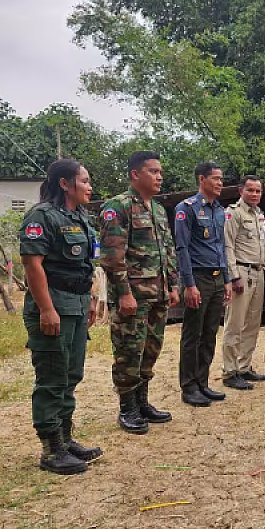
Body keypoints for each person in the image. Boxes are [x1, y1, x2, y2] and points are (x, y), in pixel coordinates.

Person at [20, 158, 102, 475]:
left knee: (71, 375)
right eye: (84, 180)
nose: (89, 186)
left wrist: (91, 300)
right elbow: (32, 264)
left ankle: (66, 440)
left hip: (78, 304)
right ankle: (51, 449)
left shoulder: (81, 217)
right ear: (65, 184)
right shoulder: (42, 216)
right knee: (53, 378)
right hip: (54, 305)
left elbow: (87, 265)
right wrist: (46, 309)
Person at [101, 151, 180, 433]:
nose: (160, 176)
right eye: (153, 171)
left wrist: (172, 285)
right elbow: (112, 256)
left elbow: (168, 251)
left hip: (157, 294)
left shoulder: (158, 210)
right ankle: (128, 408)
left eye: (160, 171)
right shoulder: (118, 207)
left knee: (151, 349)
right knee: (128, 351)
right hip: (132, 296)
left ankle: (143, 401)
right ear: (136, 174)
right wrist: (123, 293)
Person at [175, 162, 233, 406]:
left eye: (221, 179)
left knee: (210, 334)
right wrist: (189, 285)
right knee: (193, 334)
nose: (220, 183)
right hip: (198, 278)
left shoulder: (219, 210)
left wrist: (228, 279)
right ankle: (189, 387)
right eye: (215, 178)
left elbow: (221, 247)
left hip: (218, 278)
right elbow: (182, 248)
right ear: (202, 179)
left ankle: (202, 382)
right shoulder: (186, 208)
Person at [221, 175, 265, 390]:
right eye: (250, 190)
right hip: (241, 270)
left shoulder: (259, 214)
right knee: (235, 324)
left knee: (252, 323)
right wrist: (234, 276)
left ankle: (244, 366)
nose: (255, 194)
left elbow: (262, 246)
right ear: (241, 190)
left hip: (258, 272)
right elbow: (228, 246)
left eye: (258, 191)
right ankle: (230, 371)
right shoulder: (233, 213)